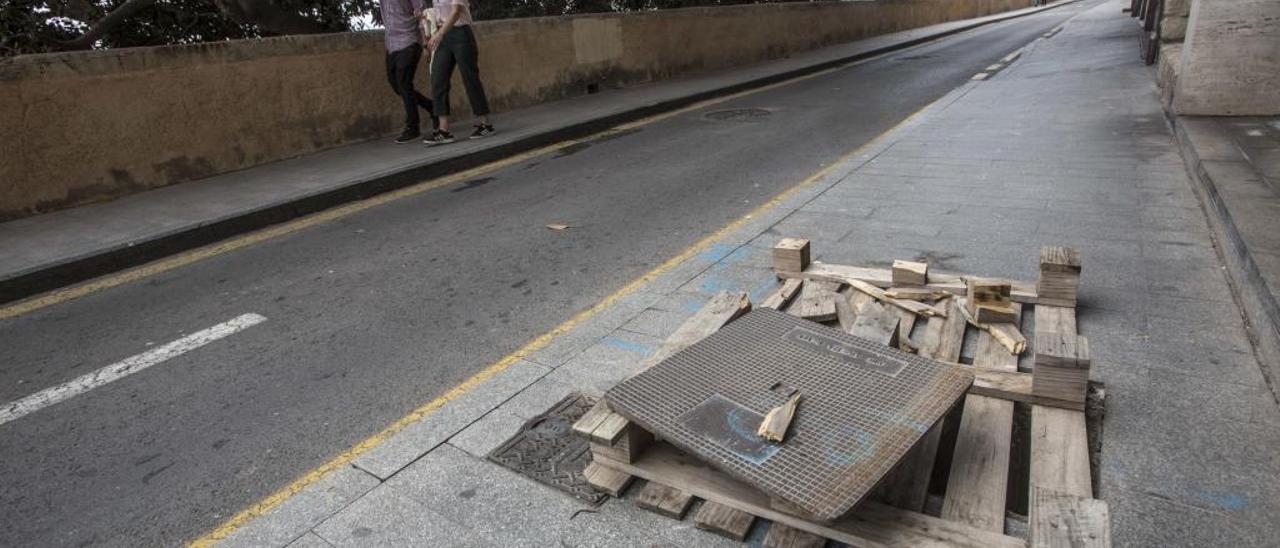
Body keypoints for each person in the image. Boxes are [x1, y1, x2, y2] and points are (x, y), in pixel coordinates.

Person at [424, 0, 495, 145]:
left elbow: (456, 12)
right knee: (438, 79)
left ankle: (486, 124)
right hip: (442, 36)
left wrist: (439, 34)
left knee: (470, 79)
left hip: (460, 34)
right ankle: (444, 131)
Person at [381, 0, 438, 144]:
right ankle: (432, 107)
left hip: (409, 41)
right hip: (391, 44)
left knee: (404, 83)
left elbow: (422, 14)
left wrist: (425, 43)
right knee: (396, 85)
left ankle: (413, 127)